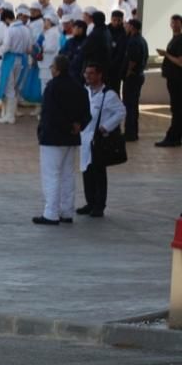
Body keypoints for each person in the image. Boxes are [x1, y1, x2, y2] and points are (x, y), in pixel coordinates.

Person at [34, 55, 91, 225]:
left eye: (52, 66)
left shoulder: (53, 87)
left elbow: (50, 114)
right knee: (67, 175)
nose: (51, 69)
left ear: (57, 69)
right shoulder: (78, 87)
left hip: (53, 137)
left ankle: (51, 212)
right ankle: (67, 211)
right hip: (71, 138)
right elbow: (86, 112)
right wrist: (78, 125)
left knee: (51, 175)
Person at [77, 63, 126, 219]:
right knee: (86, 170)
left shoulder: (108, 94)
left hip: (98, 139)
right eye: (86, 73)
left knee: (98, 171)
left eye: (91, 73)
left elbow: (121, 112)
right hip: (85, 137)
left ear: (99, 75)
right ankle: (90, 202)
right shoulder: (84, 92)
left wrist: (106, 127)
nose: (88, 76)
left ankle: (99, 205)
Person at [155, 14, 182, 148]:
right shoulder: (175, 39)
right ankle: (175, 136)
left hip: (178, 81)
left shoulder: (180, 40)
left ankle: (173, 137)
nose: (174, 25)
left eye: (177, 23)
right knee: (176, 108)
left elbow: (180, 62)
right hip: (173, 80)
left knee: (177, 109)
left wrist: (166, 54)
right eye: (173, 23)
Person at [121, 19, 148, 142]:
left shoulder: (133, 41)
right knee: (133, 104)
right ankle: (133, 132)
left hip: (133, 77)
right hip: (139, 75)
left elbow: (133, 59)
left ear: (132, 27)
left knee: (130, 105)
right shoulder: (142, 40)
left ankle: (130, 133)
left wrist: (127, 72)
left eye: (127, 25)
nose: (126, 27)